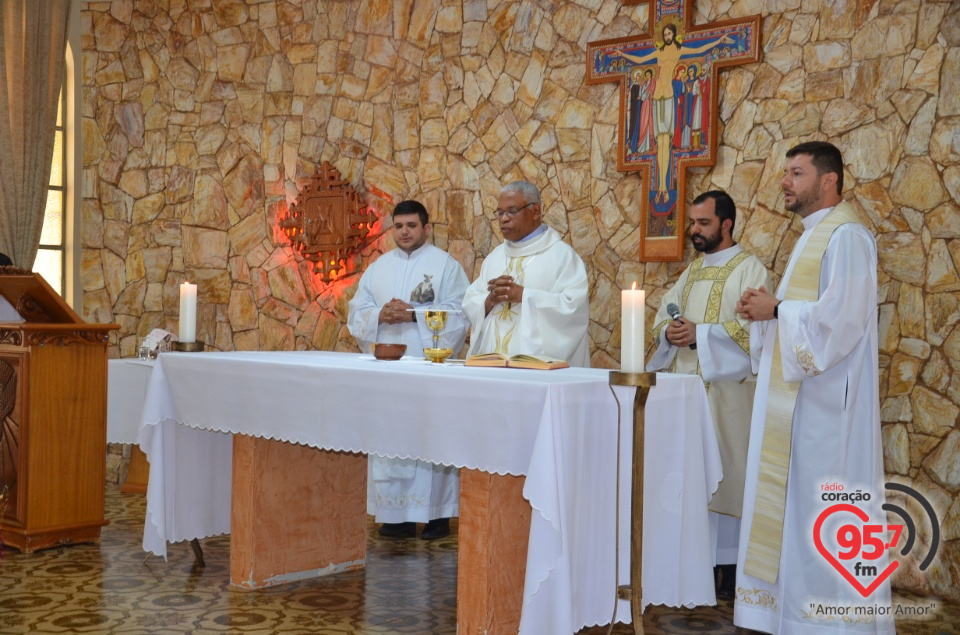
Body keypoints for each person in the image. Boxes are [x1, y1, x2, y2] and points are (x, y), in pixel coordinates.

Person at [735, 142, 893, 633]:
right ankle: (789, 616)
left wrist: (777, 310)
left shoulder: (846, 236)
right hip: (801, 408)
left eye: (796, 173)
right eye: (786, 172)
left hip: (827, 411)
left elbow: (840, 323)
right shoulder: (813, 236)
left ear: (828, 181)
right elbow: (804, 315)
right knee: (796, 512)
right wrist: (768, 310)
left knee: (823, 512)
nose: (785, 182)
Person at [648, 190, 772, 599]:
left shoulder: (749, 268)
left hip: (726, 395)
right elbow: (666, 310)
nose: (694, 231)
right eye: (692, 223)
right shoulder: (694, 270)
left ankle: (731, 567)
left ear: (726, 225)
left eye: (703, 223)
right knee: (693, 478)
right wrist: (669, 331)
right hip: (688, 394)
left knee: (729, 476)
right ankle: (697, 562)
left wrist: (700, 335)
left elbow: (752, 332)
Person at [347, 200, 470, 540]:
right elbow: (357, 310)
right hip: (389, 371)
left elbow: (460, 314)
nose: (404, 231)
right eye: (399, 226)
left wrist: (414, 313)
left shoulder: (445, 266)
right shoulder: (379, 268)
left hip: (430, 368)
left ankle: (437, 516)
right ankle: (396, 515)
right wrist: (379, 316)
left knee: (432, 437)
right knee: (391, 437)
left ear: (426, 229)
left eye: (412, 225)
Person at [462, 181, 589, 366]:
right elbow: (471, 299)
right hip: (491, 367)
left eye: (512, 211)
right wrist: (488, 302)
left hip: (535, 370)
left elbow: (573, 309)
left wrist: (524, 296)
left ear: (535, 211)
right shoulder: (495, 257)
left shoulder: (562, 257)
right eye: (499, 212)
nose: (503, 219)